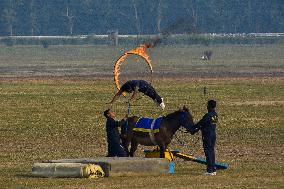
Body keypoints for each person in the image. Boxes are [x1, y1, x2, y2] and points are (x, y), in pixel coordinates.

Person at [189, 100, 218, 176]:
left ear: (210, 106)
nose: (207, 106)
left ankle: (209, 171)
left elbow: (200, 123)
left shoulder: (208, 115)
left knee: (208, 152)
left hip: (207, 136)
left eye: (207, 105)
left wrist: (192, 128)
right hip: (213, 135)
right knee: (211, 152)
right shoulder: (215, 115)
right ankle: (213, 169)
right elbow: (207, 125)